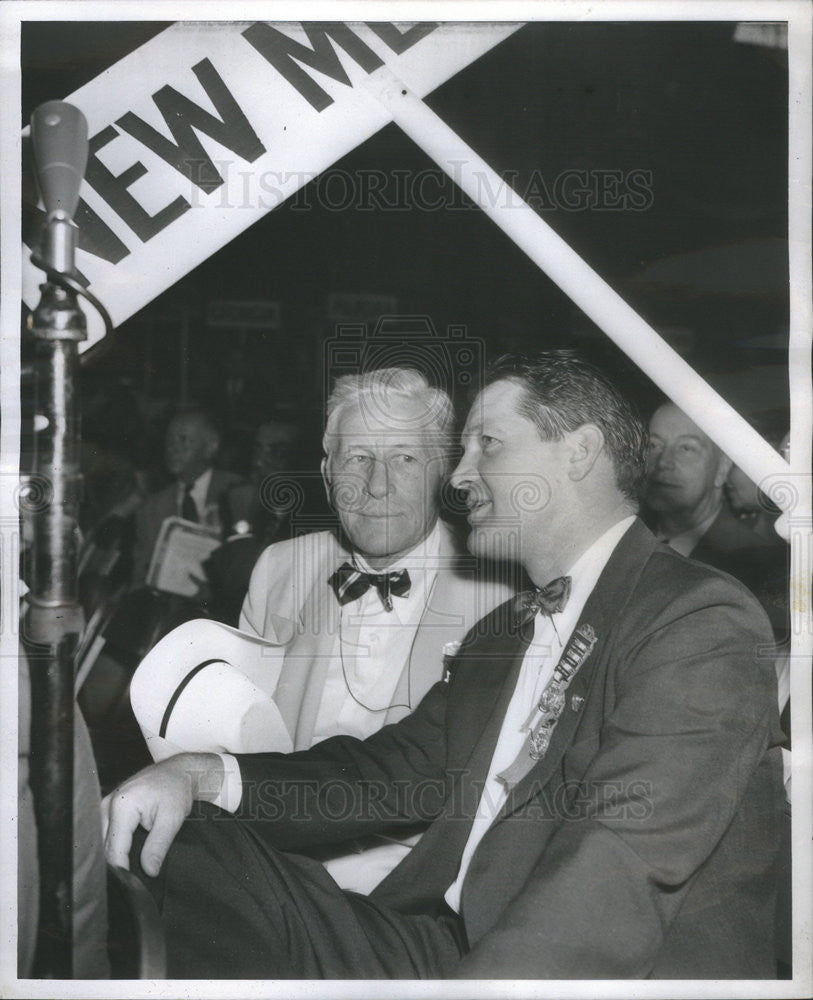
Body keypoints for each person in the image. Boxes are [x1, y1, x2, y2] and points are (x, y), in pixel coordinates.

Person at [103, 352, 783, 979]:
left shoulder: (694, 618)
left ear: (578, 452)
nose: (456, 477)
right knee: (183, 843)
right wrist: (202, 776)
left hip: (596, 973)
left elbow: (618, 866)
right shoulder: (505, 632)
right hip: (447, 945)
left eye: (486, 444)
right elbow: (382, 774)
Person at [130, 367, 512, 891]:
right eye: (358, 458)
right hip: (276, 867)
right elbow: (236, 741)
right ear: (328, 472)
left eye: (404, 458)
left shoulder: (500, 594)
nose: (378, 485)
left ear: (442, 471)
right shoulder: (281, 569)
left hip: (419, 888)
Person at [644, 400, 786, 633]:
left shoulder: (759, 567)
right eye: (653, 445)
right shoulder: (624, 537)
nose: (663, 463)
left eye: (686, 448)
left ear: (722, 468)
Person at [204, 418, 302, 625]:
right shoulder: (251, 501)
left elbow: (241, 581)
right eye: (257, 450)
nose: (258, 462)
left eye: (275, 452)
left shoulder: (312, 519)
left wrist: (241, 523)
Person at [130, 408, 242, 588]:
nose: (172, 449)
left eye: (184, 440)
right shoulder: (151, 508)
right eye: (169, 440)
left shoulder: (237, 493)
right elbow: (140, 578)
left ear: (211, 447)